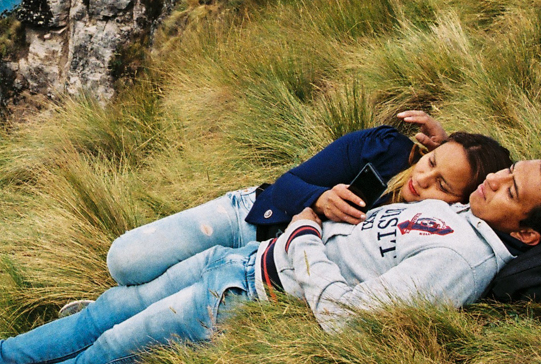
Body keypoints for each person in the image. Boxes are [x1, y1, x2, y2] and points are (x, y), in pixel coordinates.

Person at [0, 151, 541, 364]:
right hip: (241, 266)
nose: (496, 184)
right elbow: (430, 185)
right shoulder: (459, 220)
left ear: (529, 233)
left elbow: (352, 319)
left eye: (512, 191)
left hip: (245, 297)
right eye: (506, 173)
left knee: (105, 356)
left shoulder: (466, 260)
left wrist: (301, 238)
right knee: (103, 312)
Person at [104, 110, 486, 289]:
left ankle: (110, 314)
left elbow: (516, 199)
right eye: (431, 163)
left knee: (169, 289)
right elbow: (288, 183)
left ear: (460, 204)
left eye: (443, 184)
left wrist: (456, 161)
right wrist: (319, 199)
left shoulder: (436, 231)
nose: (423, 179)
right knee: (125, 261)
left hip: (272, 267)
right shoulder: (385, 149)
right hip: (256, 217)